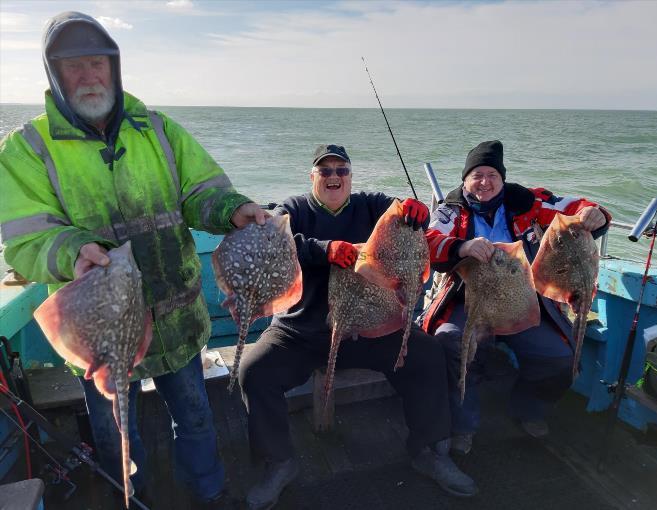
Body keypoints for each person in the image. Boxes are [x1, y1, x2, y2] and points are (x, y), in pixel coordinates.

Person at [0, 12, 267, 509]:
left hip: (176, 315)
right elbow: (24, 239)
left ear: (115, 68)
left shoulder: (160, 130)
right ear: (54, 75)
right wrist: (71, 248)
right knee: (115, 429)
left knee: (194, 416)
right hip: (98, 326)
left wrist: (234, 211)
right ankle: (132, 498)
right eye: (73, 67)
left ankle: (208, 493)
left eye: (96, 63)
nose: (88, 77)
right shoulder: (27, 149)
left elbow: (203, 193)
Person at [238, 144, 478, 510]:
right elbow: (274, 240)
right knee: (255, 372)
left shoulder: (370, 204)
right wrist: (325, 249)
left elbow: (405, 213)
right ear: (313, 176)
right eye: (325, 170)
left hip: (371, 325)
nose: (334, 177)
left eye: (341, 170)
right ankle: (279, 462)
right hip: (303, 329)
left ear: (350, 175)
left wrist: (417, 210)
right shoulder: (295, 209)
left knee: (427, 354)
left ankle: (428, 450)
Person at [422, 140, 610, 455]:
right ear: (465, 179)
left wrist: (594, 213)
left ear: (503, 178)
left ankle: (528, 408)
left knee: (559, 361)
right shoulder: (450, 209)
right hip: (468, 298)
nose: (484, 182)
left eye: (492, 174)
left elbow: (574, 208)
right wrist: (462, 247)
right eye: (476, 175)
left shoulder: (529, 201)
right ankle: (463, 424)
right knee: (451, 342)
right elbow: (430, 240)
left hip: (523, 299)